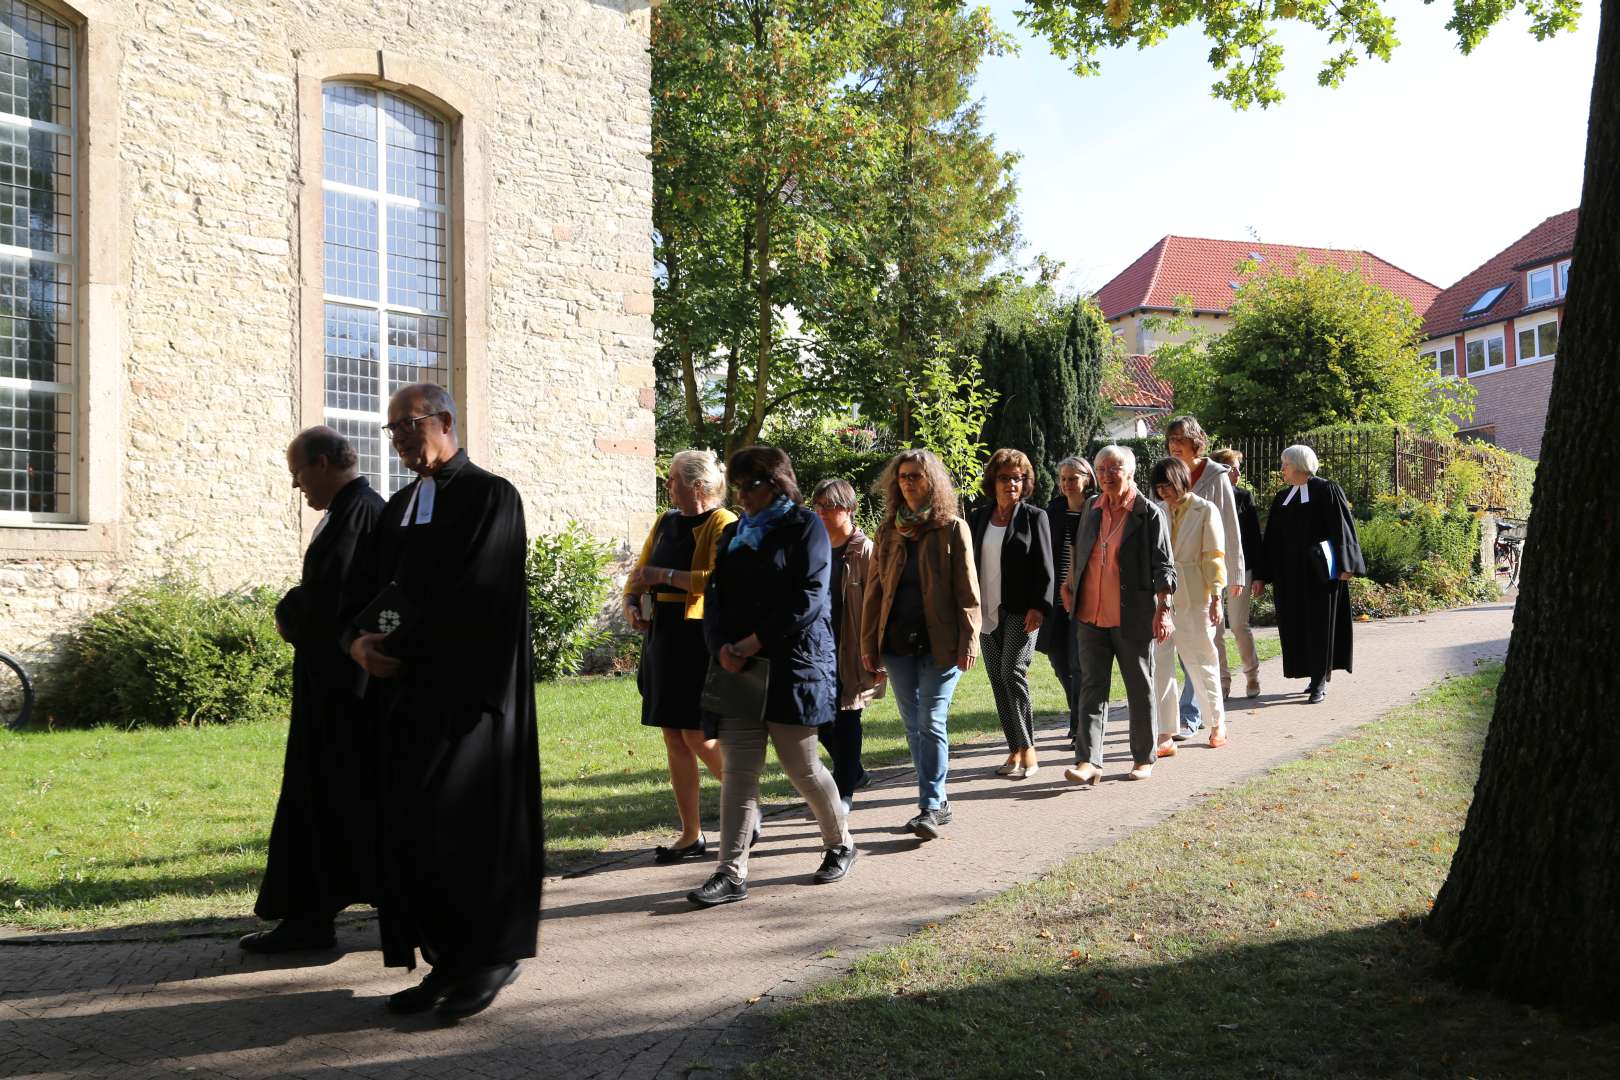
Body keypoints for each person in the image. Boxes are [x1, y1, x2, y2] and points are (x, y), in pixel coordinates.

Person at [343, 383, 542, 1021]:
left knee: (466, 831)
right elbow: (366, 588)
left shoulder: (492, 497)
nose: (400, 438)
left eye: (409, 425)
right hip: (404, 698)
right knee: (414, 833)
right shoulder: (400, 505)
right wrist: (356, 645)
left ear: (446, 421)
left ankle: (488, 958)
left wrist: (400, 646)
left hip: (468, 701)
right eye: (392, 430)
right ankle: (443, 961)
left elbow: (477, 595)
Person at [686, 447, 857, 908]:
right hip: (739, 669)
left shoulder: (805, 528)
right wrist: (721, 645)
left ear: (777, 483)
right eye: (737, 487)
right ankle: (730, 872)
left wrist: (754, 642)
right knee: (739, 772)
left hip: (793, 666)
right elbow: (715, 595)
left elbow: (809, 598)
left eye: (750, 486)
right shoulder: (737, 533)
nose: (742, 496)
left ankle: (840, 842)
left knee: (802, 767)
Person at [242, 427, 386, 955]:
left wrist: (292, 616)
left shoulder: (359, 513)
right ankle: (314, 913)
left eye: (298, 475)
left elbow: (339, 599)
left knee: (328, 799)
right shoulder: (354, 510)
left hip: (344, 690)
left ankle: (311, 919)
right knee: (330, 801)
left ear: (324, 463)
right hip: (335, 682)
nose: (297, 487)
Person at [861, 449, 980, 838]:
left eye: (916, 476)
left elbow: (968, 592)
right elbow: (874, 592)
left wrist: (970, 639)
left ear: (932, 481)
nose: (909, 482)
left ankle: (931, 804)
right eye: (903, 477)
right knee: (914, 725)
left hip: (940, 642)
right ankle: (937, 800)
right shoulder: (888, 530)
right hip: (896, 643)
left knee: (930, 720)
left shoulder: (951, 528)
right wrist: (868, 643)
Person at [624, 450, 736, 864]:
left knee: (696, 733)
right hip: (662, 636)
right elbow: (640, 570)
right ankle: (691, 834)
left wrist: (665, 577)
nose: (667, 484)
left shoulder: (723, 522)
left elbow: (720, 578)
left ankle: (747, 804)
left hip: (697, 636)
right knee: (673, 735)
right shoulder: (666, 520)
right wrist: (632, 602)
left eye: (672, 478)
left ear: (697, 485)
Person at [1061, 445, 1175, 784]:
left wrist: (1164, 609)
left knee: (1139, 688)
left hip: (1132, 616)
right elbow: (1083, 553)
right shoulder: (1092, 510)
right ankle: (1088, 762)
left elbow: (1164, 566)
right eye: (1103, 469)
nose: (1108, 475)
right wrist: (1070, 583)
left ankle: (1143, 757)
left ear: (1131, 472)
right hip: (1090, 615)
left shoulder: (1148, 513)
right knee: (1091, 689)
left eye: (1115, 468)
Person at [1252, 444, 1366, 704]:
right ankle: (1310, 673)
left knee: (1320, 625)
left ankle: (1319, 681)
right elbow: (1270, 540)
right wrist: (1261, 575)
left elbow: (1342, 530)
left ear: (1300, 465)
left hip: (1320, 575)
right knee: (1296, 625)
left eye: (1286, 464)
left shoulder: (1327, 490)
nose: (1282, 469)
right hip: (1289, 577)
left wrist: (1347, 566)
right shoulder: (1283, 497)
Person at [969, 449, 1054, 779]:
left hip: (1023, 611)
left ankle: (1029, 748)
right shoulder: (978, 517)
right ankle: (1014, 750)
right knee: (997, 681)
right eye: (1005, 478)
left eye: (1018, 478)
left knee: (1012, 673)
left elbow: (1046, 567)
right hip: (986, 612)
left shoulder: (1035, 517)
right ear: (993, 480)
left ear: (1026, 482)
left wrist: (1039, 607)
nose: (1011, 484)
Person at [1163, 416, 1245, 738]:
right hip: (1174, 575)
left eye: (1180, 438)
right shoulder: (1169, 475)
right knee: (1180, 646)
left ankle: (1192, 714)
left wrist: (1234, 573)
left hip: (1207, 572)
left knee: (1201, 645)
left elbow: (1230, 528)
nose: (1174, 444)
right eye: (1170, 439)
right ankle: (1192, 713)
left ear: (1196, 440)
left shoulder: (1216, 477)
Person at [810, 478, 885, 814]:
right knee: (819, 721)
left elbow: (881, 603)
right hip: (817, 650)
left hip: (854, 647)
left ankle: (844, 792)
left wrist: (878, 653)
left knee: (848, 715)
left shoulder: (865, 550)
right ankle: (854, 771)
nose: (824, 513)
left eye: (832, 506)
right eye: (820, 506)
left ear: (850, 509)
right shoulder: (813, 548)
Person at [1146, 457, 1228, 758]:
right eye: (1159, 487)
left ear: (1182, 479)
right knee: (1161, 663)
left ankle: (1217, 722)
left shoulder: (1205, 510)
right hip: (1162, 599)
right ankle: (1165, 731)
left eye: (1168, 484)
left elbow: (1214, 555)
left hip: (1196, 594)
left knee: (1202, 658)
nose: (1164, 491)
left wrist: (1217, 596)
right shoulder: (1156, 512)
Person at [1037, 456, 1096, 746]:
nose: (1067, 483)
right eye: (1063, 478)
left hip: (1087, 599)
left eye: (1073, 478)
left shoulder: (1097, 508)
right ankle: (1079, 713)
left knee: (1078, 663)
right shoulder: (1053, 512)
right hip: (1056, 601)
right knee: (1059, 661)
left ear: (1087, 478)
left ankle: (1079, 727)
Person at [1209, 448, 1263, 698]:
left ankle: (1252, 675)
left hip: (1241, 568)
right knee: (1215, 628)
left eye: (1239, 467)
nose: (1238, 473)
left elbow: (1253, 536)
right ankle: (1222, 680)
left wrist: (1259, 574)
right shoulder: (1207, 497)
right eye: (1232, 467)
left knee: (1240, 625)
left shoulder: (1243, 497)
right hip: (1212, 568)